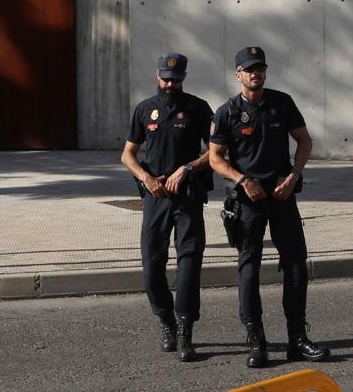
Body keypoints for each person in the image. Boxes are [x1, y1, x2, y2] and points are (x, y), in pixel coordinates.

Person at [208, 46, 331, 369]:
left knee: (296, 266)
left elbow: (304, 140)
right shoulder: (227, 112)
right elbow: (215, 158)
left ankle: (296, 339)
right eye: (249, 69)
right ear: (238, 75)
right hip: (248, 202)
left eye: (259, 68)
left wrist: (293, 175)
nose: (255, 74)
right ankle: (256, 340)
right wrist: (241, 179)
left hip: (281, 197)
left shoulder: (282, 103)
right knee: (249, 269)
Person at [120, 52, 215, 362]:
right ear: (157, 76)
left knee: (188, 265)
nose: (170, 83)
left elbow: (215, 153)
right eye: (165, 78)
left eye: (175, 79)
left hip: (187, 198)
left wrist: (187, 169)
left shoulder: (199, 109)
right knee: (151, 266)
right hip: (156, 198)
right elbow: (128, 155)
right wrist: (146, 178)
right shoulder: (145, 109)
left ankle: (186, 330)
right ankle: (166, 322)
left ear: (184, 78)